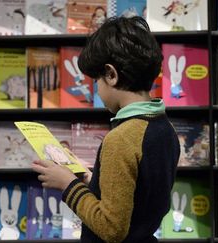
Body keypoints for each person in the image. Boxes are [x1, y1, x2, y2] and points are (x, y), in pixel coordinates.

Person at [32, 16, 180, 243]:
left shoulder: (121, 139)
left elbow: (112, 228)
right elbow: (140, 195)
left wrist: (67, 184)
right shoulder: (164, 127)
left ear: (111, 75)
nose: (96, 91)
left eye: (96, 81)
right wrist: (94, 181)